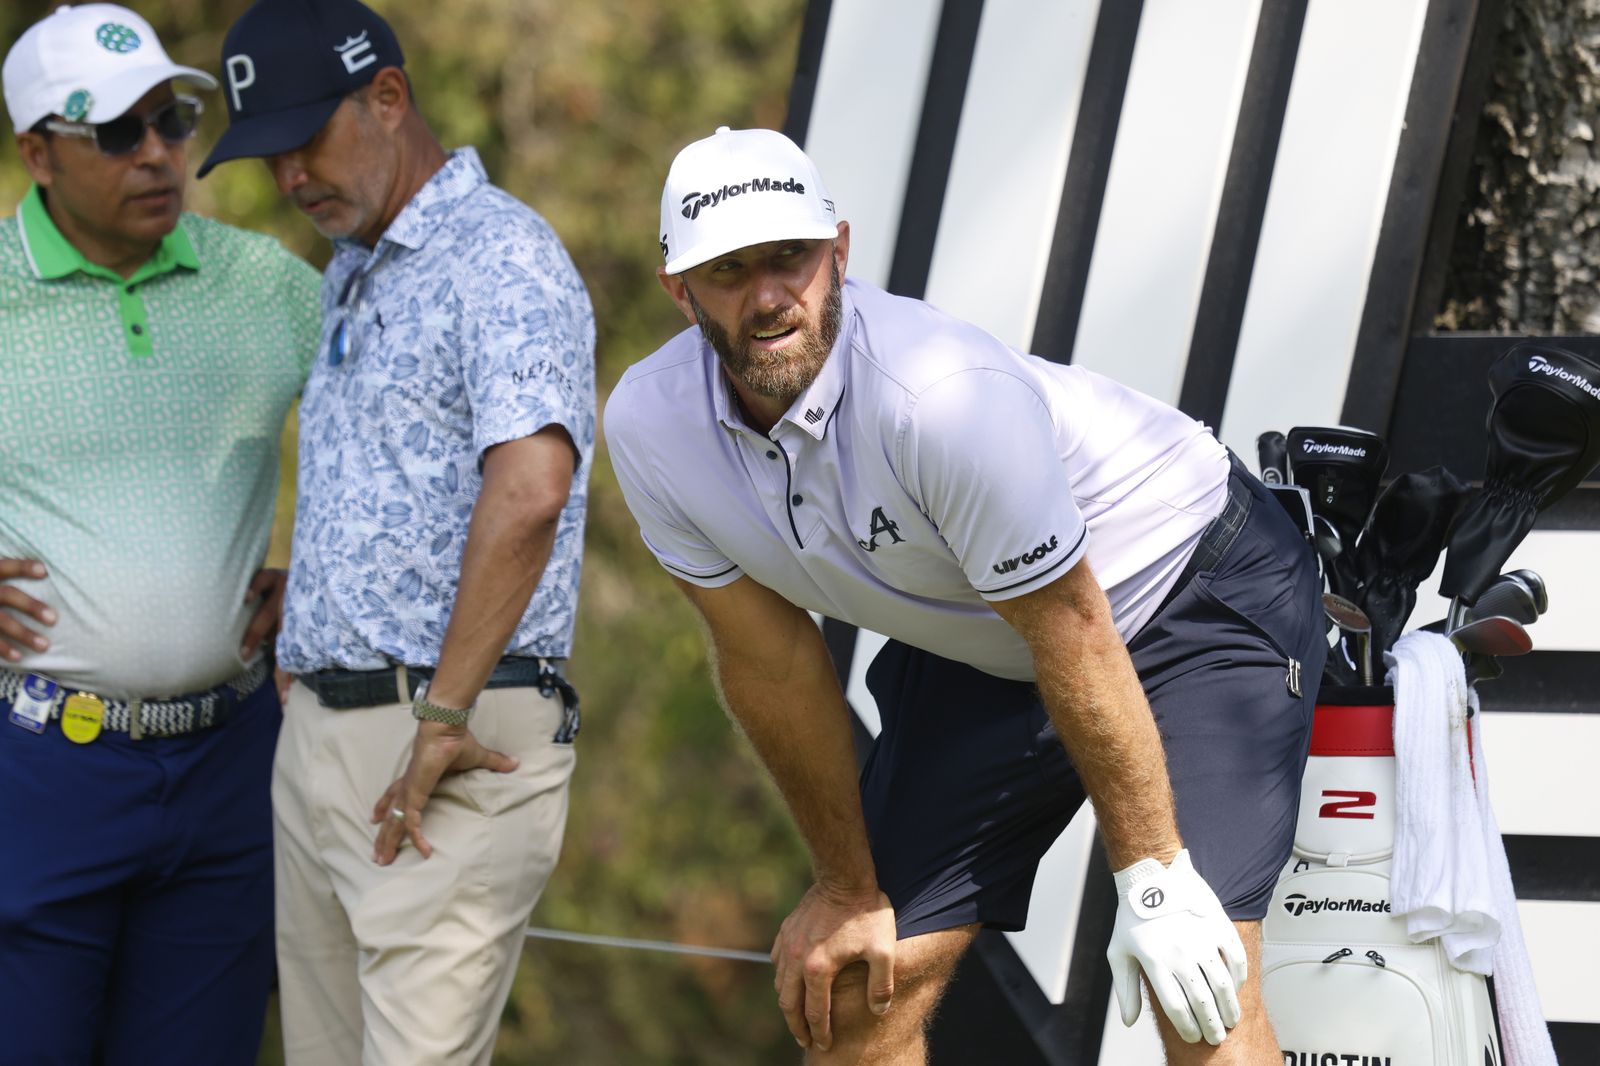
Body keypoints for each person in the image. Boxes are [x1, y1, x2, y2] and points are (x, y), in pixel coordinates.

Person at [604, 126, 1329, 1065]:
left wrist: (1152, 880)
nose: (770, 295)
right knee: (855, 991)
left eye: (790, 257)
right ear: (680, 290)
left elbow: (1074, 628)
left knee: (1195, 982)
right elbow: (769, 660)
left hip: (1189, 588)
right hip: (1000, 635)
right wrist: (846, 887)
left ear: (839, 250)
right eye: (730, 270)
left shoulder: (937, 395)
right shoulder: (650, 426)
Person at [199, 0, 596, 1062]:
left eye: (304, 140)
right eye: (269, 156)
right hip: (325, 738)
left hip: (451, 740)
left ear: (387, 97)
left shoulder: (500, 253)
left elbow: (531, 490)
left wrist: (444, 713)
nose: (289, 177)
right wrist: (321, 587)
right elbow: (408, 483)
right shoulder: (354, 264)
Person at [0, 5, 322, 1064]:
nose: (156, 153)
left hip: (232, 769)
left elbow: (410, 424)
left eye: (171, 120)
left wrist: (331, 569)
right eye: (115, 132)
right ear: (37, 152)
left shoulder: (266, 284)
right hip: (37, 768)